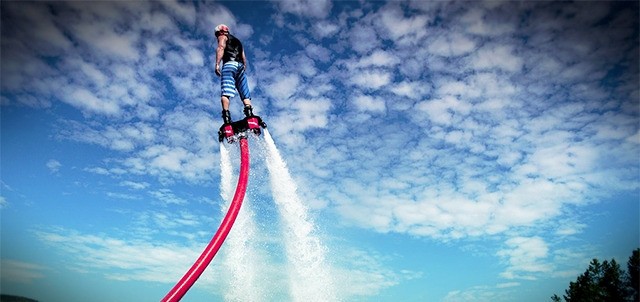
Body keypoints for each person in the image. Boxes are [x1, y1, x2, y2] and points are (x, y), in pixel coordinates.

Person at [214, 24, 255, 124]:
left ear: (220, 32)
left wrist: (217, 64)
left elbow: (221, 48)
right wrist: (243, 66)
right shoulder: (238, 42)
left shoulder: (222, 36)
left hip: (229, 64)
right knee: (245, 94)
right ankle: (250, 116)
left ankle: (227, 119)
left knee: (225, 93)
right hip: (240, 66)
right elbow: (243, 57)